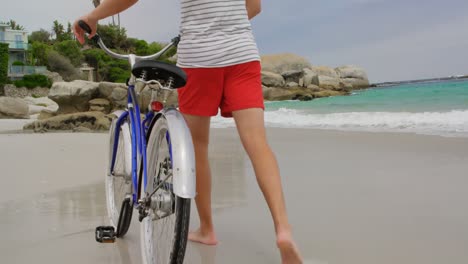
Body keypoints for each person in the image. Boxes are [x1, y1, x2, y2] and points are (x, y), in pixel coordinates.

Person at [73, 0, 302, 263]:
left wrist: (93, 15)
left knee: (198, 147)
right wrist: (224, 25)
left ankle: (207, 229)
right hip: (242, 56)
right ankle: (283, 229)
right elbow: (254, 7)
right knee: (257, 143)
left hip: (199, 58)